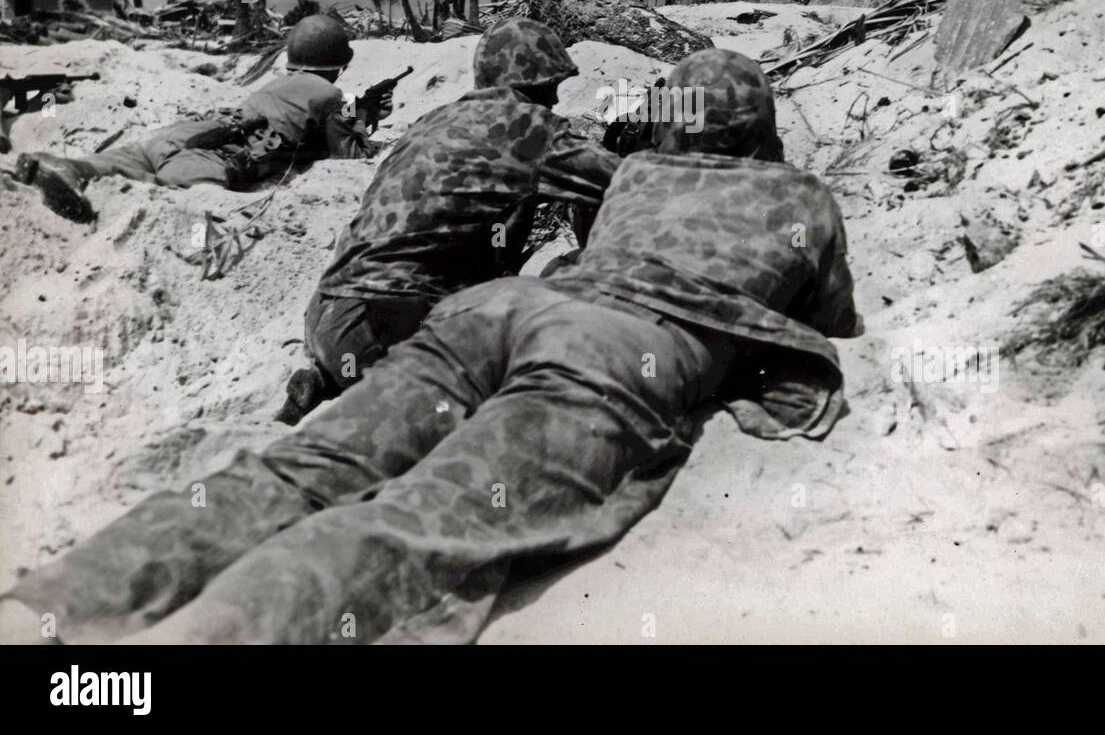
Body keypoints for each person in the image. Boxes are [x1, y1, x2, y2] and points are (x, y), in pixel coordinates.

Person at [0, 49, 860, 645]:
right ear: (760, 126)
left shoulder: (637, 174)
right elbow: (831, 319)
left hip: (494, 312)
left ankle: (46, 611)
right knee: (416, 525)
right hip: (610, 351)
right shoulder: (804, 196)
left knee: (302, 469)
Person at [275, 17, 621, 425]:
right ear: (535, 84)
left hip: (328, 317)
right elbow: (629, 182)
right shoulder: (529, 128)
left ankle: (328, 379)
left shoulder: (434, 119)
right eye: (552, 87)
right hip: (392, 322)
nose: (557, 102)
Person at [15, 15, 378, 224]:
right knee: (160, 187)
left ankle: (64, 166)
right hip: (214, 157)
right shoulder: (331, 96)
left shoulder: (280, 82)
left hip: (188, 131)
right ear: (338, 65)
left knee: (121, 161)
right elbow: (351, 154)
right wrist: (362, 117)